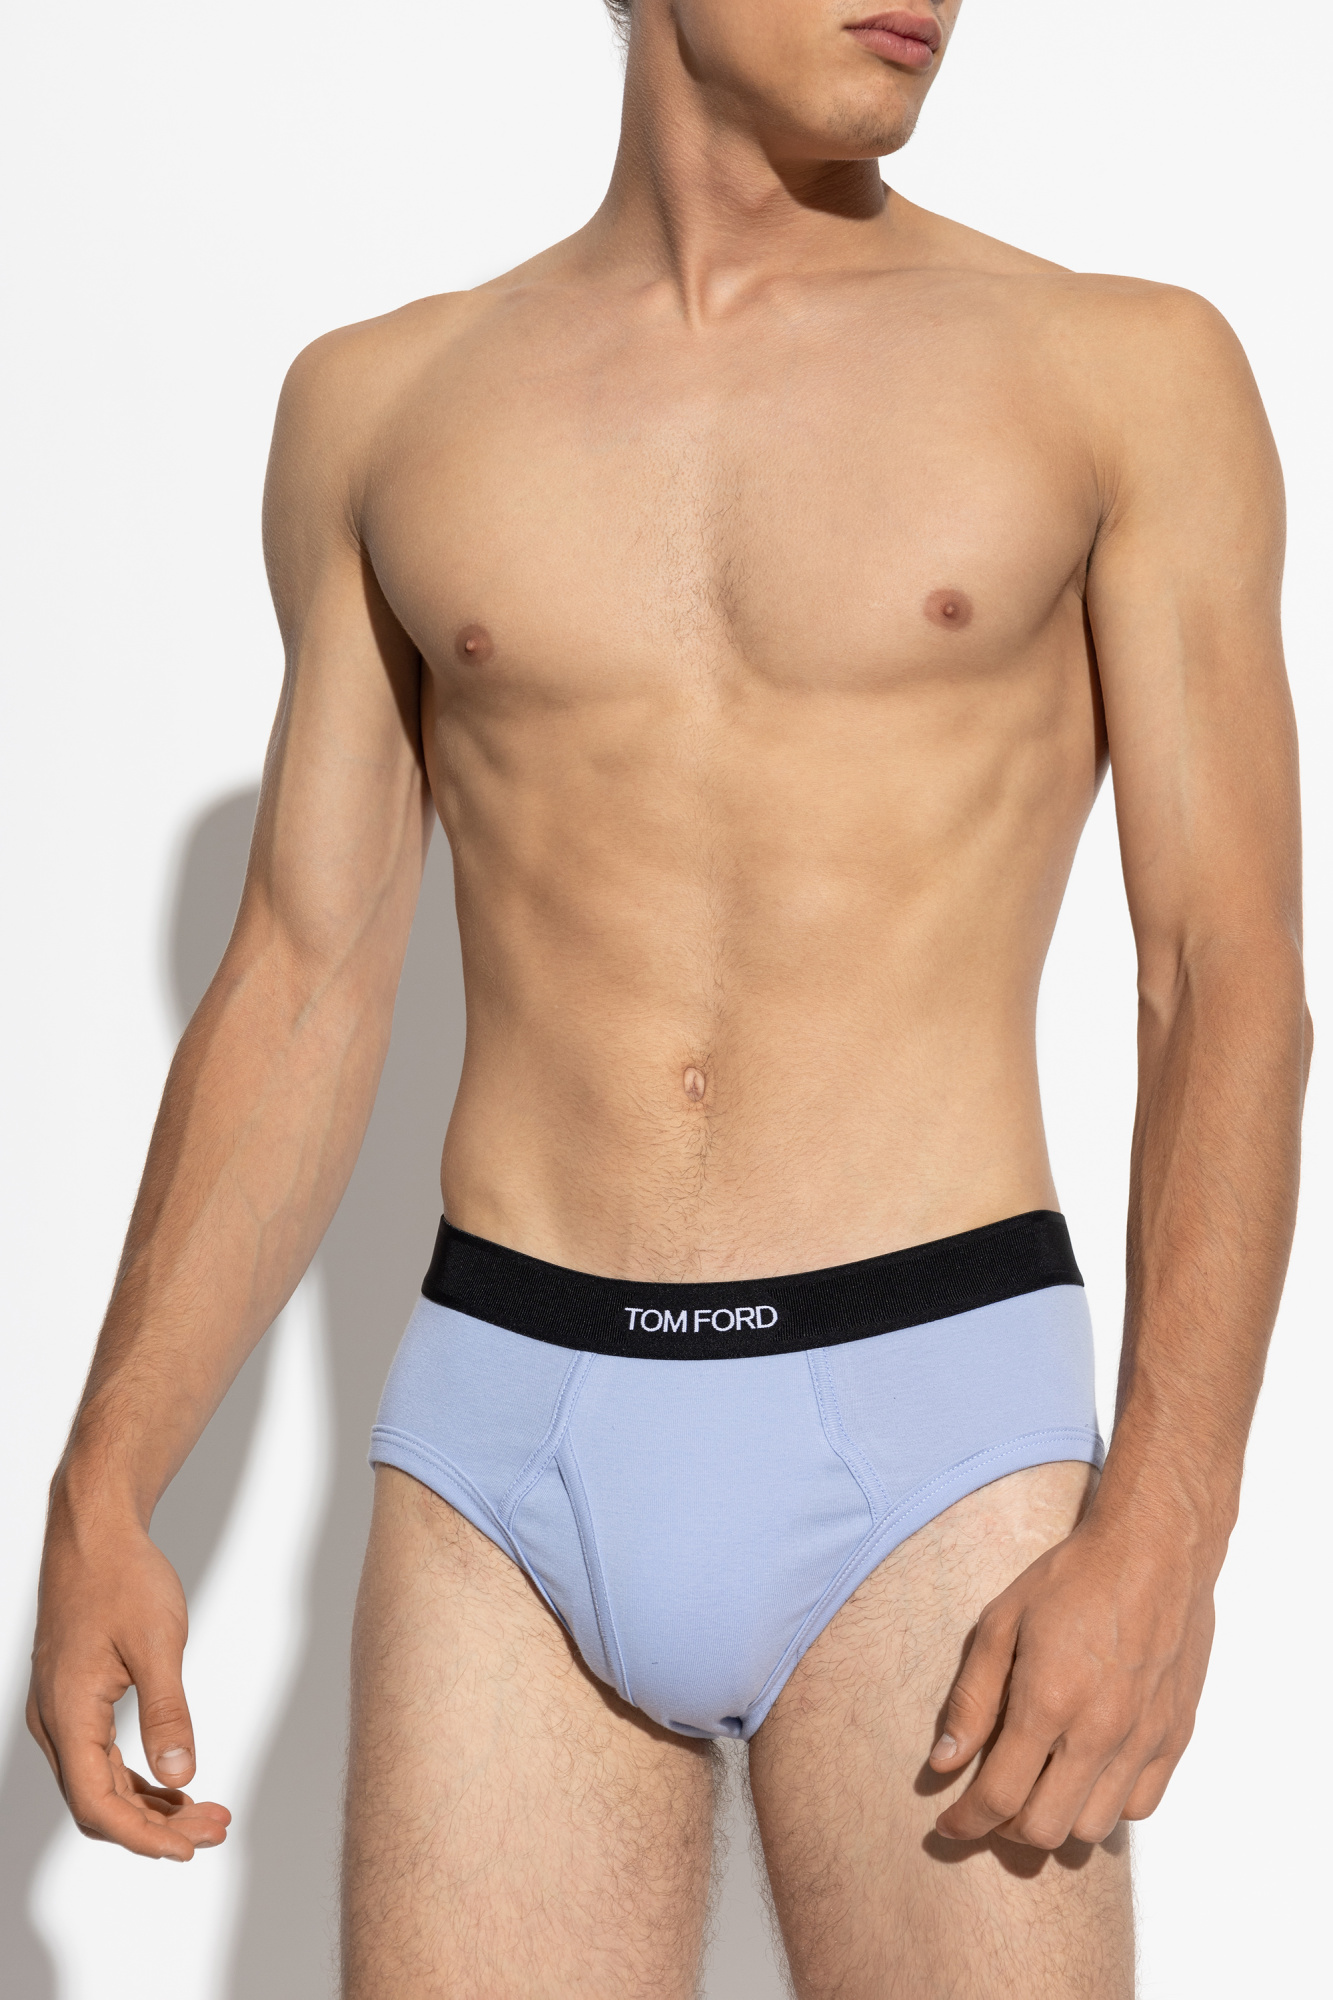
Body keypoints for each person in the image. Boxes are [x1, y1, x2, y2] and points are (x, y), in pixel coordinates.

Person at [28, 1, 1310, 1993]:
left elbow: (1220, 975)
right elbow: (306, 973)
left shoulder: (1117, 371)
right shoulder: (384, 404)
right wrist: (105, 1476)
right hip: (503, 1440)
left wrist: (1168, 1523)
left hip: (931, 1428)